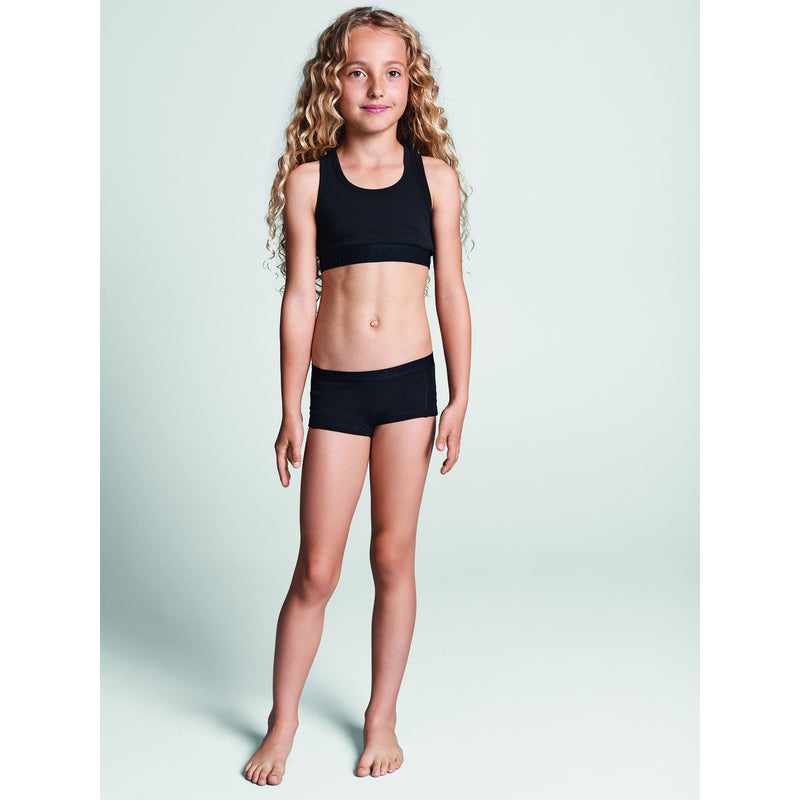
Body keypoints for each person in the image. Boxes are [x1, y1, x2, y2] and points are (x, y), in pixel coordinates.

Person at [245, 6, 472, 786]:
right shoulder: (309, 181)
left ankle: (382, 716)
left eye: (393, 73)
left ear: (412, 85)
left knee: (391, 556)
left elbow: (451, 292)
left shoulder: (434, 179)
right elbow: (298, 300)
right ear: (331, 85)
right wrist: (290, 406)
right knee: (316, 568)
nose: (377, 87)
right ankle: (282, 722)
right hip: (338, 395)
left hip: (410, 390)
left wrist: (460, 395)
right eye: (357, 71)